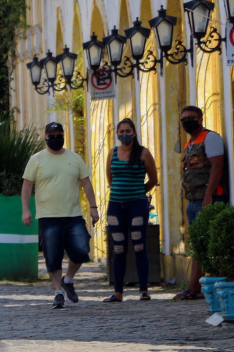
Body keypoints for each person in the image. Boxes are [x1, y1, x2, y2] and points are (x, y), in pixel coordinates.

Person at [21, 122, 100, 309]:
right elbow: (27, 186)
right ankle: (57, 292)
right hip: (48, 216)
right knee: (53, 256)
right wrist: (26, 210)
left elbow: (86, 183)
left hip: (73, 215)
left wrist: (93, 207)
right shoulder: (37, 159)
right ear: (46, 137)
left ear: (64, 136)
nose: (55, 137)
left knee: (81, 250)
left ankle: (68, 279)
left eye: (59, 134)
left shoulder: (74, 158)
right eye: (52, 134)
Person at [174, 105, 230, 300]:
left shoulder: (210, 138)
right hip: (193, 200)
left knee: (203, 244)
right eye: (184, 119)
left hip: (208, 199)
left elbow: (217, 167)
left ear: (200, 118)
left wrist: (208, 196)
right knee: (197, 244)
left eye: (191, 117)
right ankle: (195, 286)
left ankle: (194, 287)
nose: (187, 121)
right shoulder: (189, 144)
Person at [102, 118, 158, 302]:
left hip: (137, 206)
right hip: (115, 206)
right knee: (118, 248)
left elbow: (153, 179)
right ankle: (118, 292)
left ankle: (144, 290)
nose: (124, 134)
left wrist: (138, 193)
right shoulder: (112, 153)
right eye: (121, 131)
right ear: (117, 133)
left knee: (139, 246)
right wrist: (121, 191)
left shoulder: (143, 153)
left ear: (134, 133)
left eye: (128, 131)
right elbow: (110, 178)